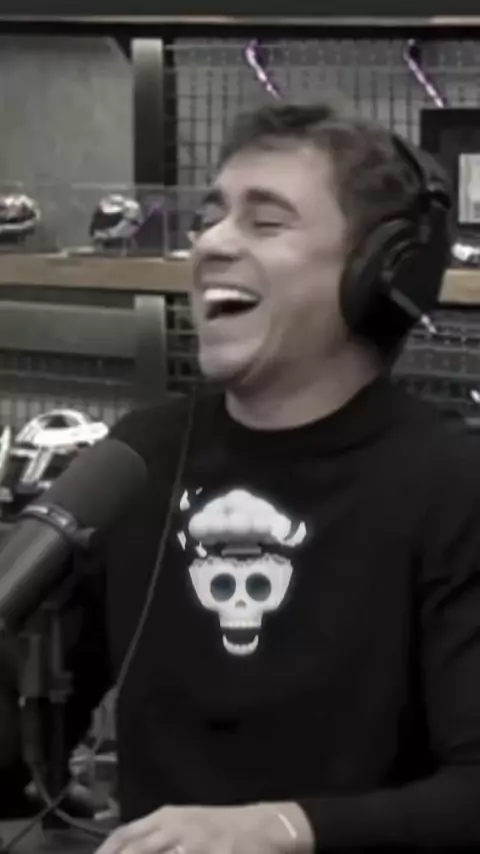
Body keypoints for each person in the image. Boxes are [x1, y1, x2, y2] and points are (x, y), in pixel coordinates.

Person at [6, 101, 480, 853]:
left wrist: (285, 827)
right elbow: (24, 733)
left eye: (265, 221)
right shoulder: (142, 457)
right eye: (211, 217)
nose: (213, 244)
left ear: (378, 270)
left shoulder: (453, 484)